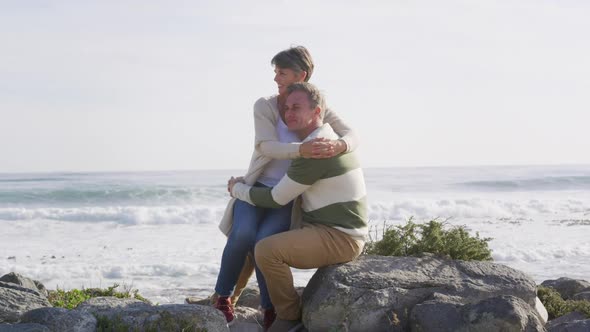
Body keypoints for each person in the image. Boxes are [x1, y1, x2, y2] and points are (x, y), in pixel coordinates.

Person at [213, 46, 360, 328]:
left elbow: (353, 134)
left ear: (300, 75)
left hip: (285, 196)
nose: (276, 78)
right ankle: (223, 296)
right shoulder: (265, 105)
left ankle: (270, 309)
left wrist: (339, 145)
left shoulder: (312, 105)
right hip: (255, 187)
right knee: (243, 233)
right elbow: (266, 146)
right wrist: (303, 151)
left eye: (282, 72)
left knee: (263, 244)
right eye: (275, 72)